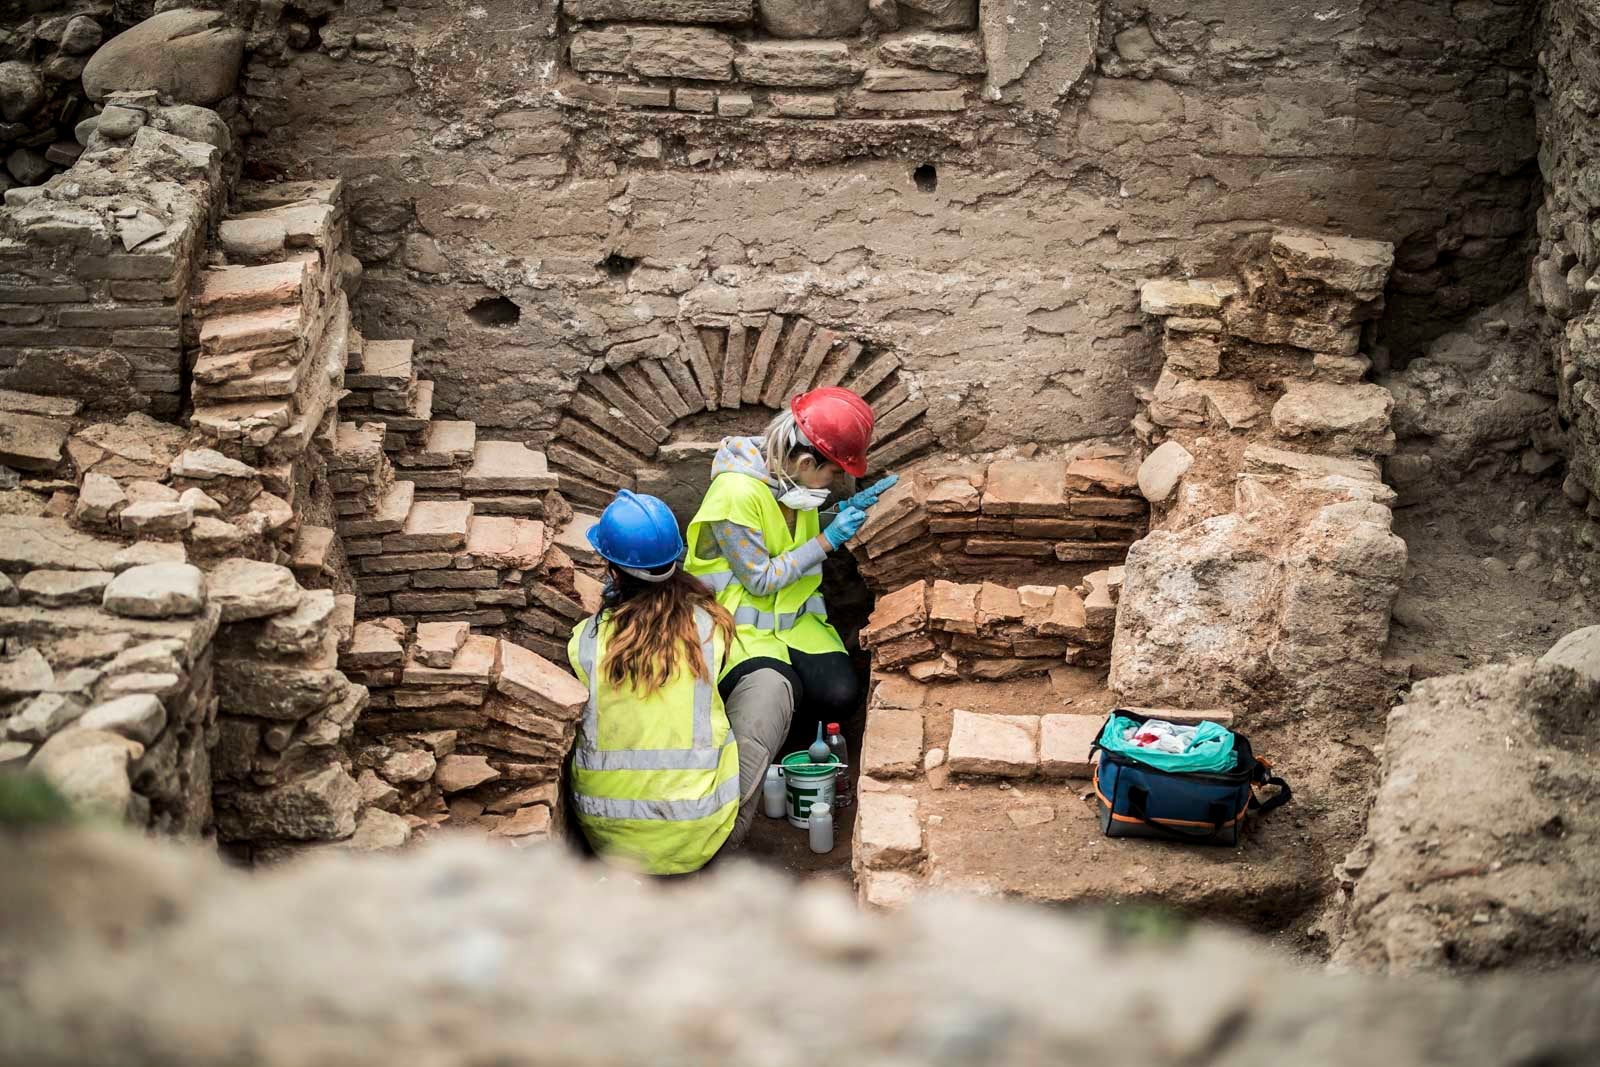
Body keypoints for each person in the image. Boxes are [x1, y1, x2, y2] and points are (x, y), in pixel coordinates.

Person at [684, 386, 898, 847]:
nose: (832, 482)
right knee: (781, 694)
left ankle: (803, 767)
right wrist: (829, 541)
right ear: (805, 464)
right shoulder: (735, 494)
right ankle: (766, 777)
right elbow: (759, 578)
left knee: (840, 692)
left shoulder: (791, 486)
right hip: (738, 627)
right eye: (833, 474)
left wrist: (840, 513)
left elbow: (785, 535)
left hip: (796, 622)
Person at [567, 489, 741, 876]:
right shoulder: (711, 626)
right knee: (762, 687)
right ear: (676, 559)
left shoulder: (586, 641)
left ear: (611, 567)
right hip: (697, 835)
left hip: (609, 841)